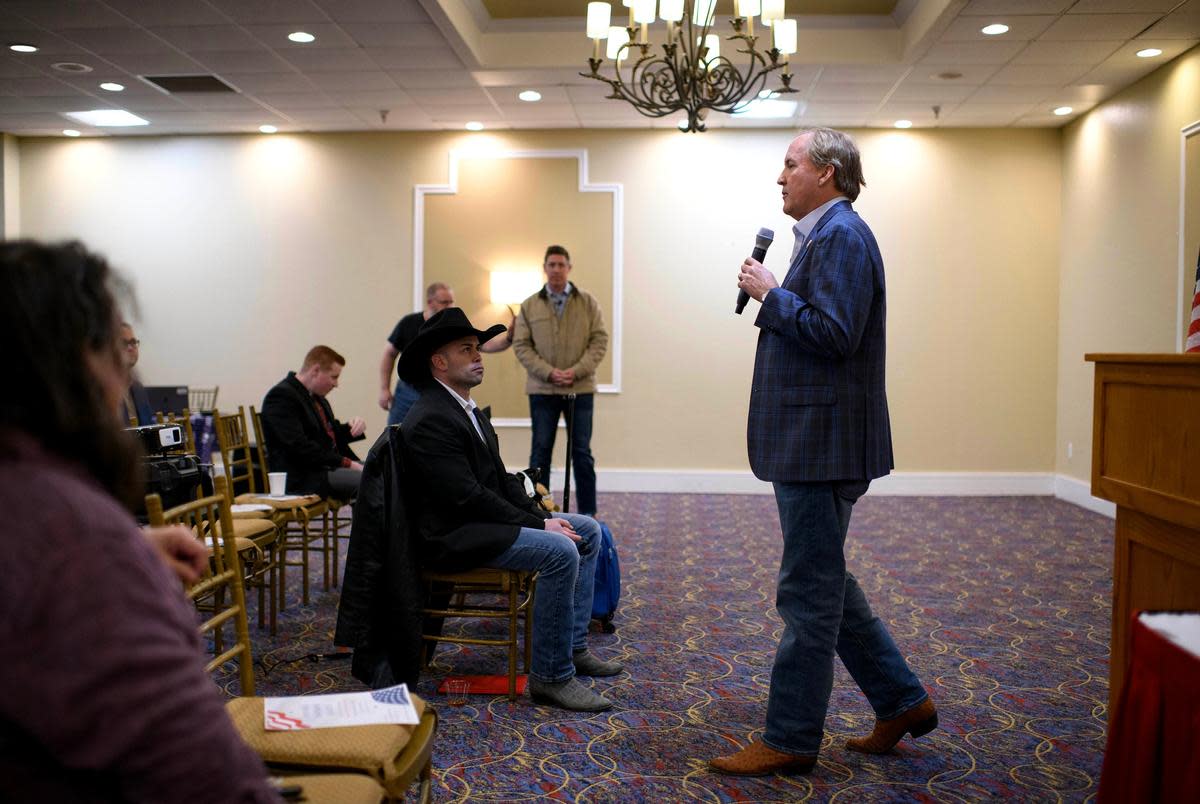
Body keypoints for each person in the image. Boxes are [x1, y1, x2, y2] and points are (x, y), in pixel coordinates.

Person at [0, 239, 280, 801]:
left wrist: (122, 545)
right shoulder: (72, 541)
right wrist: (102, 557)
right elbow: (205, 778)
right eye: (116, 350)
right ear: (80, 362)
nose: (128, 375)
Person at [708, 128, 936, 776]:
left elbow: (834, 334)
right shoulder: (831, 236)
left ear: (828, 173)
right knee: (828, 580)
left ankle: (789, 738)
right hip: (816, 441)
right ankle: (901, 699)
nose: (780, 177)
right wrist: (776, 293)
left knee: (807, 591)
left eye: (791, 164)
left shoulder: (842, 237)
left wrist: (770, 294)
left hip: (821, 446)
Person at [398, 307, 623, 712]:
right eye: (467, 349)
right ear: (439, 362)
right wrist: (540, 524)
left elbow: (501, 481)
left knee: (586, 529)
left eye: (477, 348)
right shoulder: (432, 416)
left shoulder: (463, 408)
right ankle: (551, 677)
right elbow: (467, 498)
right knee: (560, 550)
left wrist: (542, 517)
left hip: (476, 521)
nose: (478, 355)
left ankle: (572, 648)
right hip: (453, 535)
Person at [512, 245, 608, 515]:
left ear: (569, 267)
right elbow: (521, 345)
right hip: (543, 390)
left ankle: (588, 513)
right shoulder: (530, 305)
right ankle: (538, 511)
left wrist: (575, 371)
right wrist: (549, 372)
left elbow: (599, 340)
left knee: (582, 453)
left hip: (581, 389)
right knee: (540, 452)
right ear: (545, 268)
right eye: (551, 265)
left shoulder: (588, 302)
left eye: (560, 264)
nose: (556, 269)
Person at [378, 282, 513, 426]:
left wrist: (509, 338)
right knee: (397, 436)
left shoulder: (455, 327)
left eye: (451, 302)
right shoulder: (409, 323)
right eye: (444, 302)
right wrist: (384, 389)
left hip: (441, 389)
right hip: (409, 390)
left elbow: (486, 345)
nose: (449, 306)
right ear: (430, 302)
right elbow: (389, 354)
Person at [261, 345, 366, 499]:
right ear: (315, 371)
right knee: (373, 481)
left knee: (386, 473)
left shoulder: (317, 397)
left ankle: (369, 522)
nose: (336, 384)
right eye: (334, 377)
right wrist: (348, 464)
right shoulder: (281, 397)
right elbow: (300, 446)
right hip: (303, 476)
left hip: (325, 467)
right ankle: (369, 523)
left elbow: (330, 434)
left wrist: (354, 427)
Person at [117, 321, 155, 426]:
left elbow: (149, 429)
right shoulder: (106, 391)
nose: (130, 348)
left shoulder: (139, 389)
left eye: (133, 342)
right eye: (124, 343)